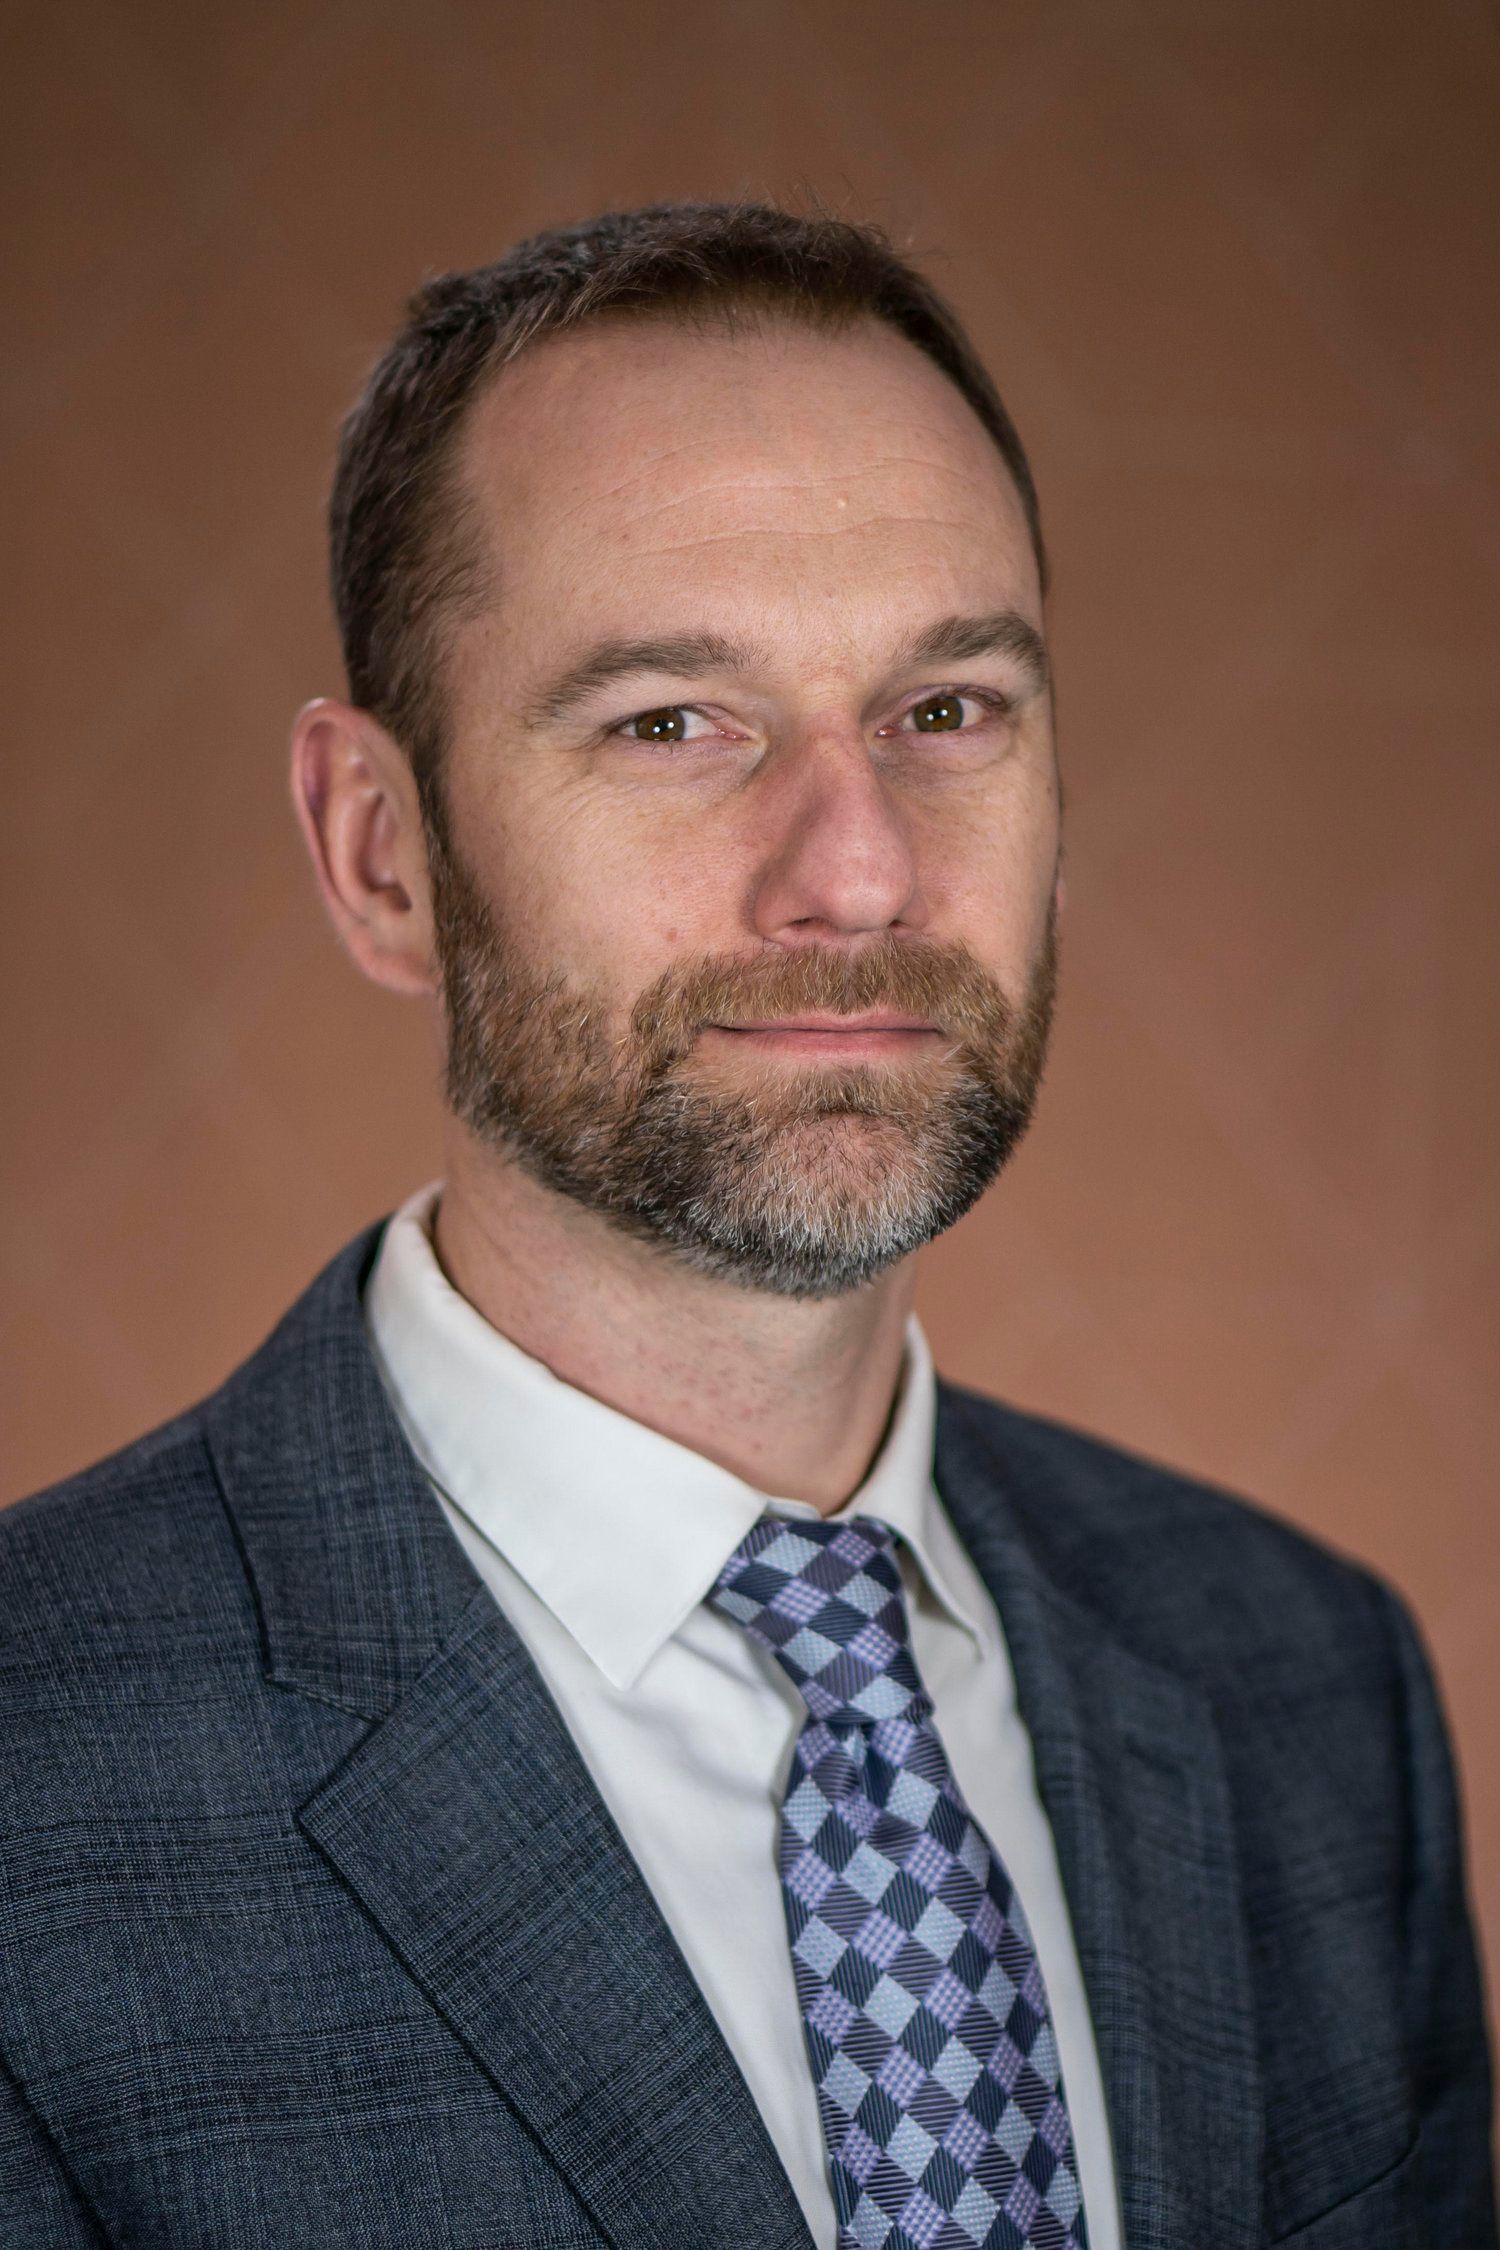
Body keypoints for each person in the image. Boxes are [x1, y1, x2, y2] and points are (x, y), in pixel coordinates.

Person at [0, 201, 1492, 2250]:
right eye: (671, 722)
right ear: (380, 851)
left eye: (947, 707)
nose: (860, 870)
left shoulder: (1310, 1693)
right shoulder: (32, 1774)